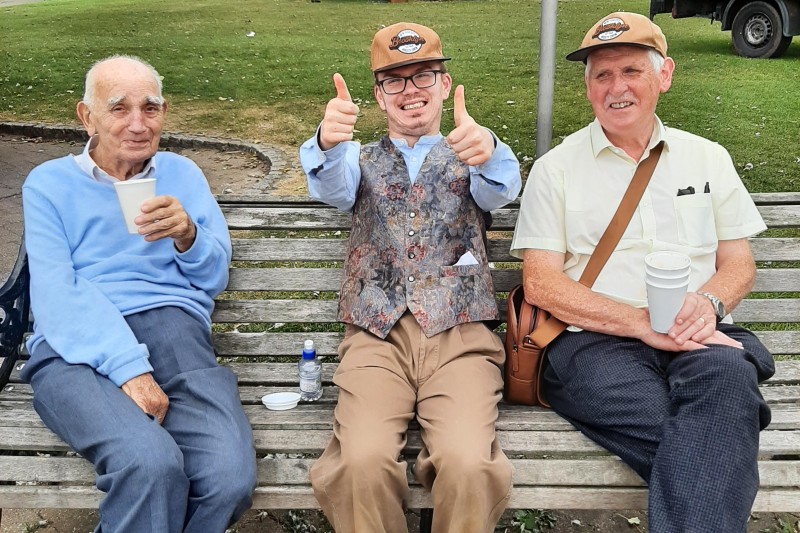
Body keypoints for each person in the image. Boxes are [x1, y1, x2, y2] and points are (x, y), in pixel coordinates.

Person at [510, 12, 775, 532]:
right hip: (595, 343)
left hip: (696, 334)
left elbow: (738, 263)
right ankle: (729, 437)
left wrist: (710, 305)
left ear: (665, 75)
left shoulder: (708, 159)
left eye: (631, 71)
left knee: (723, 385)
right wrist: (639, 323)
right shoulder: (556, 169)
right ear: (587, 87)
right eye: (601, 76)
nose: (616, 88)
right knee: (718, 432)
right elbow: (541, 282)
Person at [299, 22, 521, 533]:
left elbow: (499, 189)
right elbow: (333, 189)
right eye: (395, 81)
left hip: (460, 338)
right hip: (378, 339)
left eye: (424, 75)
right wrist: (327, 143)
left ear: (445, 85)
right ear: (378, 96)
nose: (411, 90)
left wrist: (486, 145)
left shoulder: (471, 151)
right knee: (360, 462)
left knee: (468, 464)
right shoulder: (358, 160)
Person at [20, 55, 257, 533]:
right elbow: (57, 295)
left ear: (164, 112)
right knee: (150, 465)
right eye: (118, 108)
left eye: (150, 109)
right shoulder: (48, 185)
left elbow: (214, 277)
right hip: (75, 349)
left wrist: (189, 235)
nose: (137, 124)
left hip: (176, 336)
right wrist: (130, 367)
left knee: (228, 477)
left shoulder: (182, 174)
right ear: (86, 116)